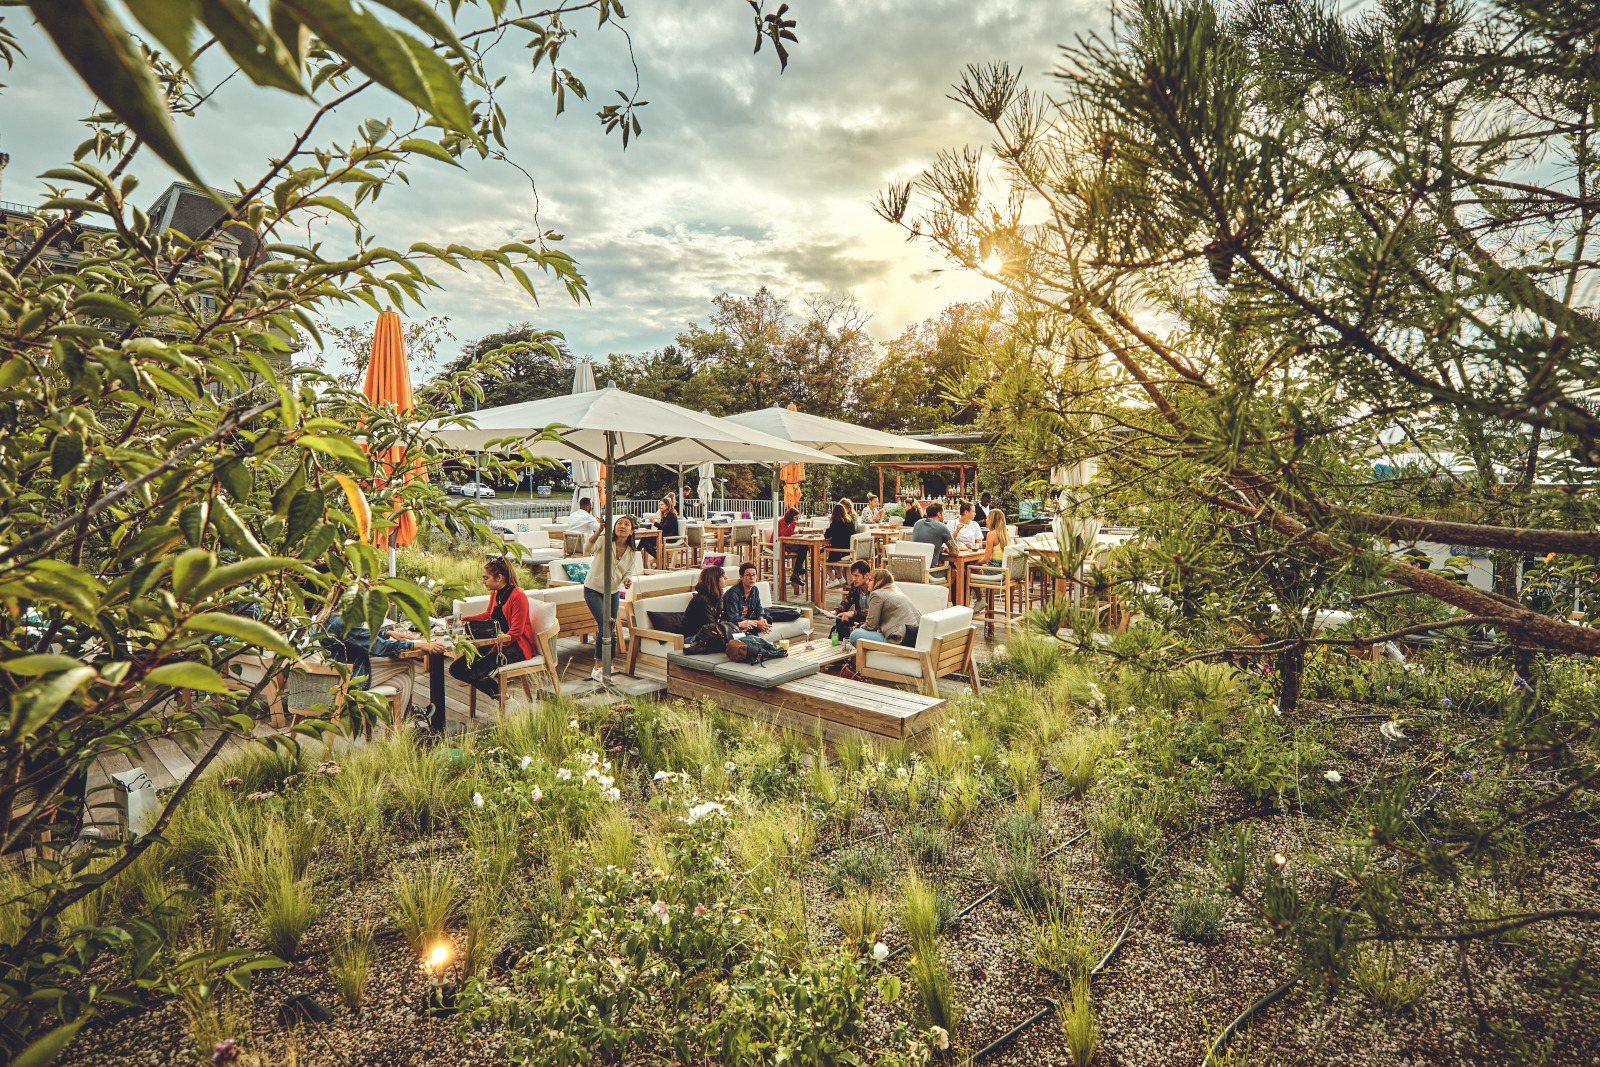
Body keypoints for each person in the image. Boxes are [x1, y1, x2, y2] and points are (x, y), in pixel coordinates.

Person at [446, 558, 543, 698]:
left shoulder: (518, 596)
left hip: (517, 647)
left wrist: (493, 647)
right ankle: (501, 694)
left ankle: (503, 698)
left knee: (476, 672)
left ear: (499, 577)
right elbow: (489, 615)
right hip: (497, 642)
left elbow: (515, 633)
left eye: (486, 578)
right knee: (456, 668)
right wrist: (462, 620)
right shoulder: (495, 593)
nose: (483, 581)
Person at [319, 608, 442, 718]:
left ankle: (402, 726)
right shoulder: (342, 621)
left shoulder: (327, 615)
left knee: (403, 681)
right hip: (349, 680)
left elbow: (358, 635)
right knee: (406, 664)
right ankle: (406, 719)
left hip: (337, 675)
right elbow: (380, 647)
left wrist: (387, 633)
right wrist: (417, 644)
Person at [584, 514, 644, 677]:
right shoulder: (604, 541)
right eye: (619, 523)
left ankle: (608, 665)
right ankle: (597, 667)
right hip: (593, 589)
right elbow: (587, 549)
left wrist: (627, 580)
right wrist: (599, 530)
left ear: (632, 531)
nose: (622, 526)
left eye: (626, 524)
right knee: (605, 626)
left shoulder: (632, 551)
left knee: (613, 630)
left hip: (613, 592)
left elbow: (628, 571)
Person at [849, 568, 920, 647]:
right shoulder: (896, 590)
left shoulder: (876, 594)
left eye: (870, 580)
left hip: (899, 639)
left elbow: (870, 626)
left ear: (879, 582)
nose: (867, 582)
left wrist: (859, 626)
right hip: (914, 636)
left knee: (855, 635)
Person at [723, 561, 773, 633]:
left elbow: (758, 608)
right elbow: (733, 618)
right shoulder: (732, 594)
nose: (752, 578)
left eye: (754, 575)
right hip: (736, 623)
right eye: (748, 575)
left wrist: (761, 619)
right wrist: (757, 623)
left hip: (747, 620)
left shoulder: (754, 589)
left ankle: (757, 628)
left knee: (768, 619)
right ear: (741, 577)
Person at [682, 564, 728, 638]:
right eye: (722, 576)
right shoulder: (702, 600)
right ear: (714, 579)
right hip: (694, 636)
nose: (726, 578)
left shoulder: (716, 597)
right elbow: (710, 625)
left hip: (707, 634)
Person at [832, 559, 872, 640]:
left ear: (866, 575)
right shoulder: (855, 586)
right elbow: (847, 601)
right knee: (841, 618)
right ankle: (839, 646)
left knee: (840, 628)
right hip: (858, 616)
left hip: (871, 620)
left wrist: (852, 613)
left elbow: (873, 611)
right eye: (853, 575)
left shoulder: (874, 588)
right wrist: (836, 611)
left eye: (857, 576)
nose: (854, 579)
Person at [778, 506, 805, 592]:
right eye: (795, 517)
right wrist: (793, 524)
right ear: (791, 516)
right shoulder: (782, 521)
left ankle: (796, 572)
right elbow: (785, 534)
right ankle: (797, 571)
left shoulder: (789, 522)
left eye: (797, 518)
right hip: (780, 544)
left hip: (787, 543)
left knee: (804, 547)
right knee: (803, 547)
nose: (796, 519)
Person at [825, 502, 855, 569]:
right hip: (849, 550)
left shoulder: (836, 522)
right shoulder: (849, 521)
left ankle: (832, 578)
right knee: (826, 553)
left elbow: (827, 535)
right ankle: (840, 577)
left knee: (818, 555)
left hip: (839, 552)